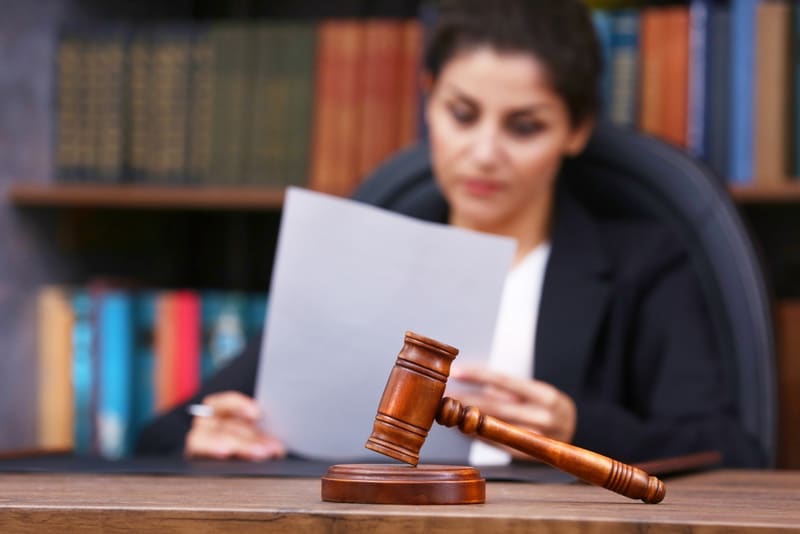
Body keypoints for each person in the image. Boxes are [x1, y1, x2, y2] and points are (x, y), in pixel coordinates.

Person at [136, 0, 766, 467]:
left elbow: (731, 451)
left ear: (576, 130)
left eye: (524, 127)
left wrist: (575, 429)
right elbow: (162, 433)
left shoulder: (644, 264)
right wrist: (204, 431)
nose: (484, 153)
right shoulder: (359, 261)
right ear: (429, 99)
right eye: (462, 115)